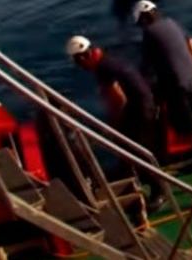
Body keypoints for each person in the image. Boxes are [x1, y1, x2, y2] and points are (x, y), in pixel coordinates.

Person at [66, 35, 165, 210]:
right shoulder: (107, 58)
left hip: (140, 109)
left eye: (78, 63)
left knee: (136, 151)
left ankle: (159, 191)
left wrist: (115, 124)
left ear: (82, 57)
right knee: (132, 149)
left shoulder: (103, 68)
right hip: (145, 103)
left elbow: (119, 99)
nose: (80, 68)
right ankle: (130, 174)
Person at [133, 0, 192, 165]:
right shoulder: (171, 22)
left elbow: (146, 66)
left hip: (179, 83)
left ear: (144, 18)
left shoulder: (149, 33)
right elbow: (191, 43)